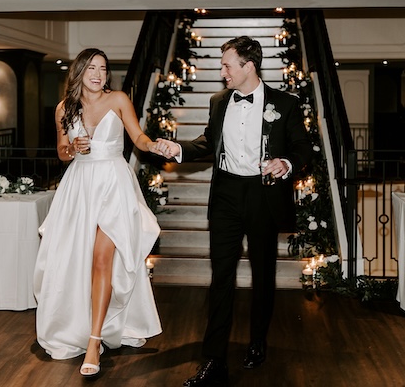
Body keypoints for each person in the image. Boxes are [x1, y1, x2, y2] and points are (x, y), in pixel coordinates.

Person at [155, 36, 313, 386]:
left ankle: (258, 341)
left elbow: (303, 148)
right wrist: (177, 148)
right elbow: (208, 143)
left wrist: (285, 162)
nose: (222, 71)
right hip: (226, 194)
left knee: (262, 275)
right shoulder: (218, 101)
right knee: (221, 277)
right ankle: (214, 361)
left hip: (263, 195)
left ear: (248, 66)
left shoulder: (285, 104)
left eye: (227, 65)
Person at [33, 48, 164, 377]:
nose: (98, 74)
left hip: (113, 186)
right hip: (79, 188)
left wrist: (155, 145)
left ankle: (94, 342)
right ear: (78, 71)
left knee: (103, 256)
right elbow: (62, 152)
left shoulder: (118, 99)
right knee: (78, 259)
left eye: (103, 69)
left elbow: (138, 137)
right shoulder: (64, 108)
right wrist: (72, 148)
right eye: (91, 68)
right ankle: (82, 324)